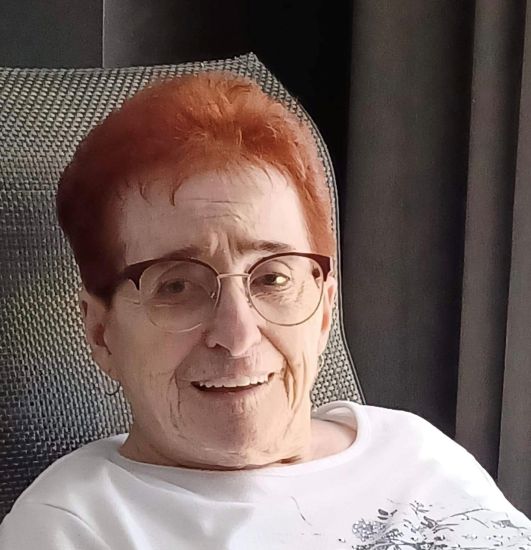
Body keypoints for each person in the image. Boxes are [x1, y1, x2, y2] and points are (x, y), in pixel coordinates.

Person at [0, 70, 529, 550]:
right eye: (177, 286)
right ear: (101, 333)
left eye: (273, 278)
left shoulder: (412, 447)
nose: (238, 335)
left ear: (324, 309)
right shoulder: (75, 525)